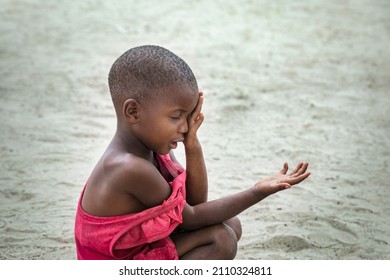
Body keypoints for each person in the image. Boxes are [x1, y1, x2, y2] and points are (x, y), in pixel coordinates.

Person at [74, 45, 311, 260]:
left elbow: (194, 203)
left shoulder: (153, 149)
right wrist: (257, 192)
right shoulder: (128, 167)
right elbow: (192, 216)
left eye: (188, 117)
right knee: (221, 240)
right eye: (176, 117)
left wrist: (192, 146)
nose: (185, 127)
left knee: (230, 224)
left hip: (140, 249)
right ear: (133, 112)